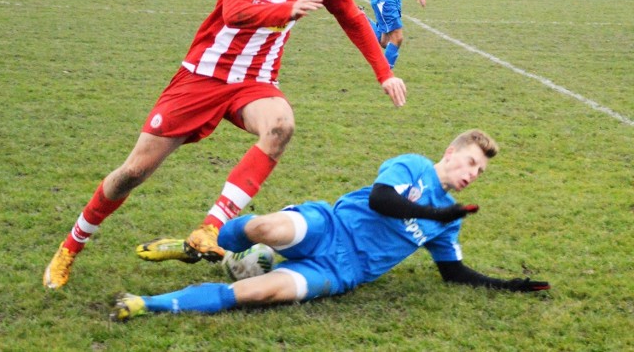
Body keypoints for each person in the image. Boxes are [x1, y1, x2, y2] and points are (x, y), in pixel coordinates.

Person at [43, 0, 406, 291]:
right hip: (203, 75)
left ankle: (209, 229)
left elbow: (353, 19)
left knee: (281, 126)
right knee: (133, 172)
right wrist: (284, 10)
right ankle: (70, 247)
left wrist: (383, 73)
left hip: (255, 80)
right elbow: (236, 11)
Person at [110, 129, 551, 321]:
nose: (473, 173)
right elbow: (382, 200)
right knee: (265, 228)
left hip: (342, 272)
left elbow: (453, 274)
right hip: (330, 225)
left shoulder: (447, 225)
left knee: (257, 294)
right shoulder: (413, 166)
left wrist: (509, 285)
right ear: (451, 153)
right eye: (471, 162)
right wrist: (436, 213)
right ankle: (200, 244)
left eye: (480, 172)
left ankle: (146, 303)